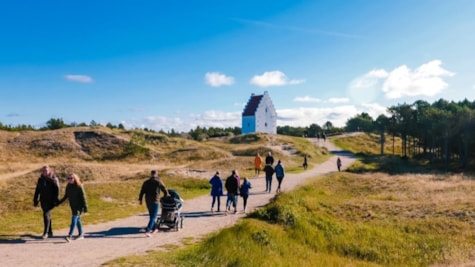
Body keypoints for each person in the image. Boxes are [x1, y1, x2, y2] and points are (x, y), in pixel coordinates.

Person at [58, 173, 88, 242]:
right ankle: (81, 234)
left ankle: (70, 235)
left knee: (74, 219)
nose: (70, 180)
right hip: (73, 205)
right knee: (78, 220)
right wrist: (59, 202)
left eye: (71, 178)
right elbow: (66, 196)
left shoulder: (79, 186)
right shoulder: (68, 186)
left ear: (75, 178)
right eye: (68, 178)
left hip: (79, 206)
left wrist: (85, 208)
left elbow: (84, 197)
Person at [139, 170, 168, 237]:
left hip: (148, 200)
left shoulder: (146, 182)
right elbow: (164, 188)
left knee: (151, 215)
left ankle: (155, 228)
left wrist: (140, 199)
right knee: (153, 216)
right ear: (156, 174)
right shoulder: (158, 181)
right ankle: (148, 230)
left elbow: (142, 191)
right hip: (155, 200)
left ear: (151, 174)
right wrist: (166, 195)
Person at [33, 165, 60, 239]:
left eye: (46, 170)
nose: (44, 172)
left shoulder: (53, 179)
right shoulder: (41, 179)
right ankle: (50, 232)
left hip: (51, 200)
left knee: (46, 214)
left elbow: (57, 190)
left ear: (49, 171)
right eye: (43, 171)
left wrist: (56, 200)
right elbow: (37, 190)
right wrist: (35, 199)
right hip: (43, 200)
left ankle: (45, 233)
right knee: (47, 215)